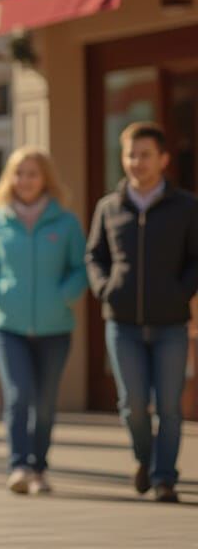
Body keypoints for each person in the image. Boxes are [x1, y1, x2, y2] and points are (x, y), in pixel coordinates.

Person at [86, 122, 198, 504]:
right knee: (132, 403)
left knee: (168, 404)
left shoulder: (186, 207)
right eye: (131, 154)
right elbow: (94, 256)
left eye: (145, 154)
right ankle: (144, 458)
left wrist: (181, 292)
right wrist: (105, 289)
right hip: (123, 324)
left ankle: (164, 477)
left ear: (163, 159)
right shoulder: (109, 207)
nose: (137, 162)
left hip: (170, 324)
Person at [0, 148, 86, 495]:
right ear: (10, 178)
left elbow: (80, 269)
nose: (25, 180)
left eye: (32, 173)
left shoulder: (65, 222)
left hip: (56, 326)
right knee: (19, 394)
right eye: (19, 173)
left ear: (45, 178)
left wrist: (63, 294)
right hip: (7, 324)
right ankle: (19, 465)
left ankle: (39, 468)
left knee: (46, 401)